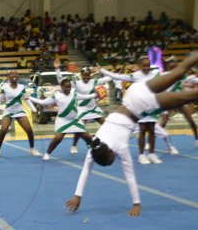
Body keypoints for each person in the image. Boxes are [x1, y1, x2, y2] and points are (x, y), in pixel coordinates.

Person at [65, 52, 198, 216]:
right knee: (179, 71)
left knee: (189, 96)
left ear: (111, 153)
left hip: (141, 106)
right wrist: (77, 196)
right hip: (135, 92)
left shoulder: (119, 148)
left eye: (112, 160)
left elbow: (129, 176)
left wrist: (136, 203)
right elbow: (85, 171)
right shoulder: (95, 145)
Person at [96, 57, 165, 164]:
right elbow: (116, 76)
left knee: (151, 130)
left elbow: (166, 77)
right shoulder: (135, 76)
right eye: (144, 66)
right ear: (139, 66)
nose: (146, 68)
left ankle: (151, 154)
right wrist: (101, 70)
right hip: (141, 106)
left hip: (151, 105)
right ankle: (141, 155)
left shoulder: (155, 74)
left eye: (148, 65)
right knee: (142, 130)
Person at [28, 78, 95, 161]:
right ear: (61, 87)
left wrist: (95, 95)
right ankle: (47, 153)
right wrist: (29, 98)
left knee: (87, 136)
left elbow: (85, 97)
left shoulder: (74, 93)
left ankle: (92, 151)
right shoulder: (56, 96)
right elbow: (43, 102)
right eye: (66, 87)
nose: (68, 89)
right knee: (58, 138)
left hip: (74, 120)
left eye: (69, 87)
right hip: (62, 120)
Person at [55, 58, 110, 154]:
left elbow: (109, 78)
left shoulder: (94, 81)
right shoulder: (76, 83)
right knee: (79, 128)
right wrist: (57, 69)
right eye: (84, 75)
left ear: (90, 75)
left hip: (93, 108)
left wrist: (101, 70)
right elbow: (61, 81)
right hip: (82, 109)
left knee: (106, 124)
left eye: (88, 75)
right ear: (81, 75)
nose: (86, 77)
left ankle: (96, 138)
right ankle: (74, 146)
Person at [0, 71, 40, 158]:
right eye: (12, 74)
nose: (14, 75)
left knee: (29, 130)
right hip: (8, 111)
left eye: (16, 74)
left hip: (19, 111)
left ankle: (32, 149)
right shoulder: (5, 87)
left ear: (18, 76)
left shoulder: (22, 87)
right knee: (3, 130)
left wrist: (33, 109)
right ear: (8, 77)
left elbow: (26, 99)